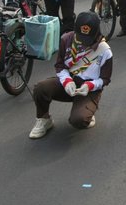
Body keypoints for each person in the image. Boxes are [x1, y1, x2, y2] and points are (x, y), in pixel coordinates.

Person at [28, 11, 113, 139]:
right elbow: (60, 66)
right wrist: (67, 81)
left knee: (79, 120)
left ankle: (87, 111)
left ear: (96, 33)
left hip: (89, 90)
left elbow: (105, 79)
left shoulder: (105, 50)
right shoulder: (66, 39)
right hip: (69, 82)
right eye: (80, 37)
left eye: (87, 39)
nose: (83, 43)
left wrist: (90, 85)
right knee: (41, 88)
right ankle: (44, 119)